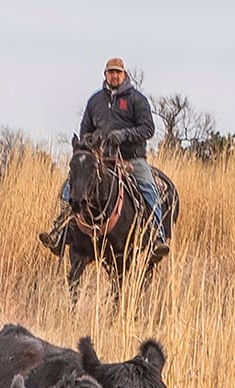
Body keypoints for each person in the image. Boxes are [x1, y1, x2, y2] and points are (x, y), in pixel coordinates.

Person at [40, 57, 168, 259]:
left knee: (148, 187)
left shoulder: (136, 99)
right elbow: (85, 130)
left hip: (131, 158)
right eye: (111, 72)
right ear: (105, 75)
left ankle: (156, 237)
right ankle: (59, 230)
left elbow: (148, 128)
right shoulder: (95, 101)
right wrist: (90, 143)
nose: (114, 76)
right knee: (71, 186)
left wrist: (124, 135)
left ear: (124, 75)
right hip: (100, 157)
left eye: (118, 72)